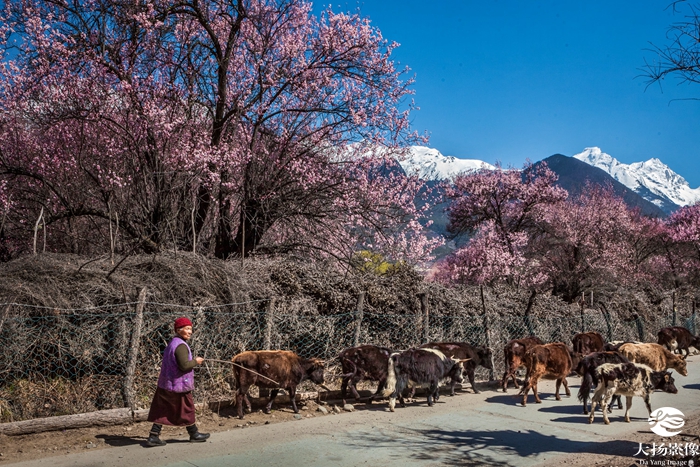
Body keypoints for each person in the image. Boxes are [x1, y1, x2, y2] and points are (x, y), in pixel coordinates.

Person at [145, 317, 210, 447]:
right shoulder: (180, 346)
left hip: (166, 384)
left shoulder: (172, 343)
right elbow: (184, 366)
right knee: (187, 409)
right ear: (179, 330)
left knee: (163, 409)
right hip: (179, 385)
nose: (190, 331)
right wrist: (196, 362)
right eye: (187, 329)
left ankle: (153, 436)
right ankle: (194, 434)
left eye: (191, 329)